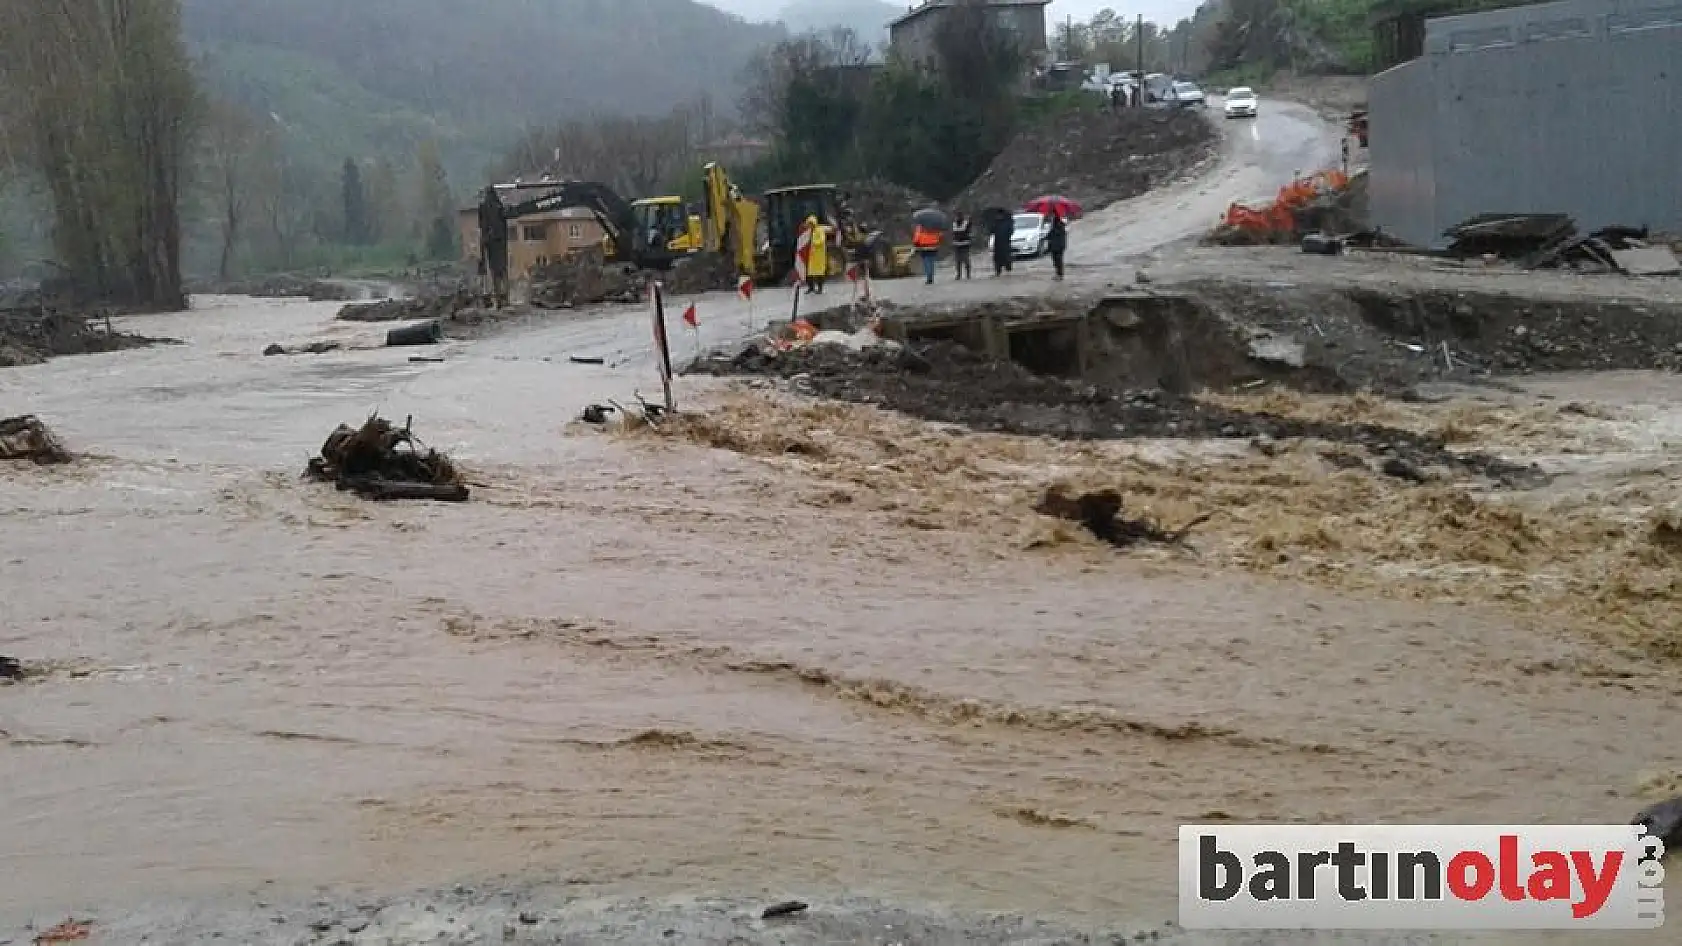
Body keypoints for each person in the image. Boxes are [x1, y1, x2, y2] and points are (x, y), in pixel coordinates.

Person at [476, 186, 510, 307]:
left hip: (490, 242)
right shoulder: (499, 206)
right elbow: (504, 224)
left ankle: (498, 300)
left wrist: (484, 240)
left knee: (494, 272)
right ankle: (505, 298)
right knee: (503, 270)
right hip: (501, 242)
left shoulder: (483, 207)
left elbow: (482, 225)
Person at [803, 214, 828, 294]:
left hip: (819, 255)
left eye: (810, 224)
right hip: (812, 256)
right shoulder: (810, 231)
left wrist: (813, 242)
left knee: (819, 273)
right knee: (810, 273)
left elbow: (822, 240)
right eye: (808, 224)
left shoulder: (819, 230)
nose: (809, 225)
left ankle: (820, 288)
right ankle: (811, 288)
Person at [989, 212, 1014, 276]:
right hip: (997, 243)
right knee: (997, 258)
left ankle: (1008, 270)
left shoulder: (1008, 222)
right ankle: (998, 271)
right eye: (997, 215)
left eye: (1000, 215)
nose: (998, 216)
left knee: (1006, 257)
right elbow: (991, 231)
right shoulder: (995, 223)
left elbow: (1011, 231)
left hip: (1005, 242)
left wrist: (1007, 235)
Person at [950, 213, 972, 280]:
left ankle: (965, 274)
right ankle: (960, 274)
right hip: (959, 244)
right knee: (959, 261)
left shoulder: (965, 223)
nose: (957, 218)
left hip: (963, 244)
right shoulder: (956, 224)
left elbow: (954, 233)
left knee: (965, 260)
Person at [1047, 212, 1067, 280]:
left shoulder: (1060, 221)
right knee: (1055, 260)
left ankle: (1060, 274)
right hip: (1054, 244)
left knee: (1059, 260)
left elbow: (1059, 232)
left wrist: (1052, 231)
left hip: (1059, 245)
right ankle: (1057, 273)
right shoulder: (1053, 221)